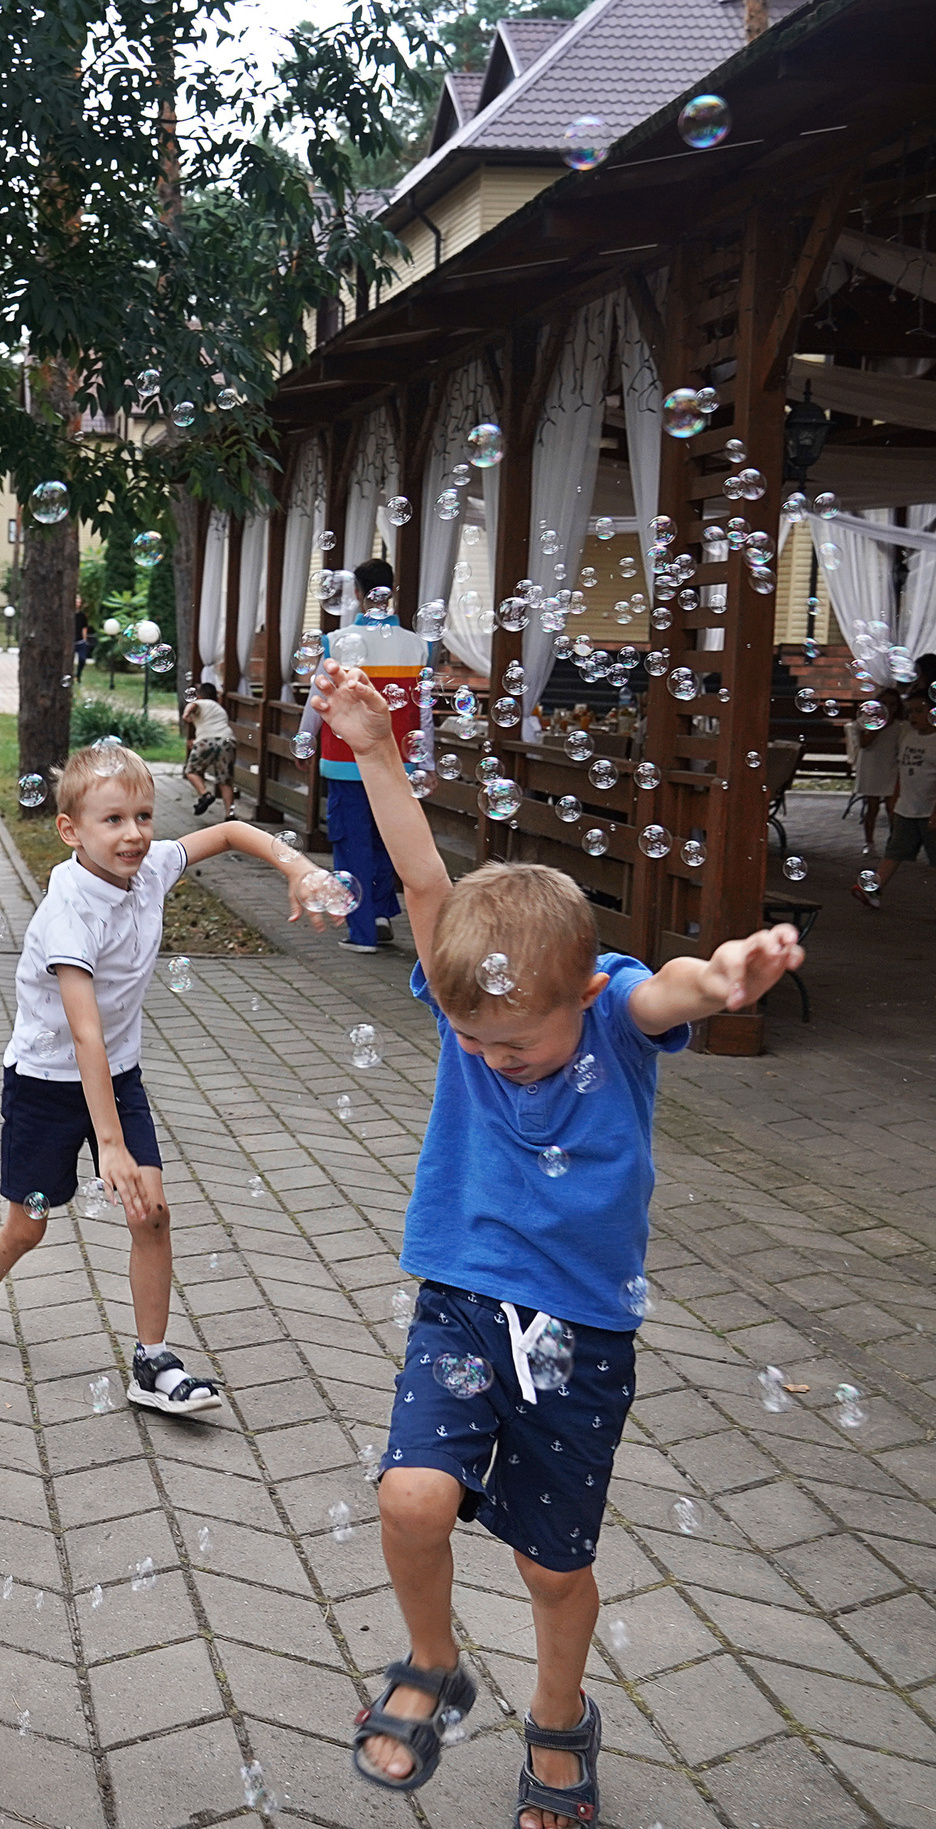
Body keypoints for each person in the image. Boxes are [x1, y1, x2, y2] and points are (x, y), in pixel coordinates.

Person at [314, 663, 801, 1829]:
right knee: (412, 1495)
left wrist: (721, 979)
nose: (492, 1059)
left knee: (549, 1563)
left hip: (580, 1327)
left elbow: (668, 992)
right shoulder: (472, 999)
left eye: (517, 1044)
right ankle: (429, 1661)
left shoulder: (617, 1014)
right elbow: (425, 875)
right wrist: (377, 751)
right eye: (472, 1040)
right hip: (462, 1297)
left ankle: (558, 1714)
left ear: (582, 991)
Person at [0, 742, 319, 1406]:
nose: (136, 833)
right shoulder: (70, 911)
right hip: (44, 1083)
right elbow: (84, 1031)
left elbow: (229, 832)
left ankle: (152, 1360)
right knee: (29, 1224)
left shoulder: (150, 869)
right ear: (71, 830)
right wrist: (108, 1144)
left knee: (153, 1215)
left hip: (118, 1075)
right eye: (112, 819)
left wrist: (297, 866)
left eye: (143, 815)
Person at [316, 556, 411, 952]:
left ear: (356, 592)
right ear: (391, 591)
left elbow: (317, 700)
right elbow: (422, 711)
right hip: (398, 759)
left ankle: (362, 933)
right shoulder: (416, 643)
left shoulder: (335, 642)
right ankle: (381, 913)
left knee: (351, 840)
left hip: (344, 758)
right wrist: (428, 761)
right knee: (385, 838)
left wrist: (304, 741)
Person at [875, 691, 934, 876]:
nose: (912, 716)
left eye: (919, 711)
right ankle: (874, 890)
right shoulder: (908, 736)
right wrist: (894, 799)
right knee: (894, 852)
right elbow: (903, 772)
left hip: (929, 810)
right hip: (906, 808)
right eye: (910, 712)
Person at [849, 696, 897, 857]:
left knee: (892, 808)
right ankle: (869, 842)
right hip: (872, 768)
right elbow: (864, 742)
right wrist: (878, 726)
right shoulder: (867, 722)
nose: (889, 707)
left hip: (891, 767)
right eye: (885, 704)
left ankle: (894, 842)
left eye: (893, 704)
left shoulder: (900, 725)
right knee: (872, 807)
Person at [181, 682, 238, 817]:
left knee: (191, 771)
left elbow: (193, 705)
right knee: (225, 780)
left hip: (206, 742)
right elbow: (215, 730)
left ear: (199, 696)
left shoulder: (201, 703)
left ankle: (205, 794)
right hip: (227, 741)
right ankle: (230, 814)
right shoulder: (219, 709)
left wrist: (186, 714)